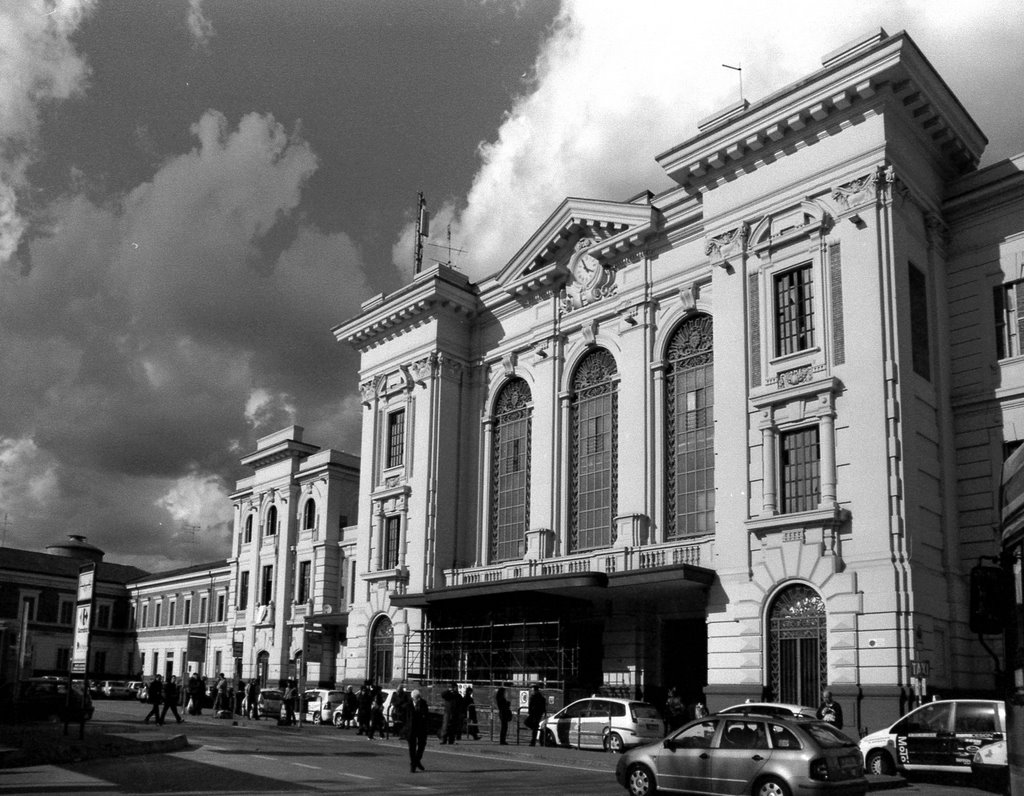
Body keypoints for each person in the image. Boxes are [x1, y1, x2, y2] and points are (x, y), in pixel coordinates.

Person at [405, 688, 430, 773]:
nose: (418, 699)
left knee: (421, 745)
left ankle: (417, 760)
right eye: (416, 697)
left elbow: (426, 715)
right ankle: (413, 764)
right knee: (412, 747)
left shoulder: (423, 703)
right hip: (411, 728)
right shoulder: (408, 705)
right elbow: (406, 717)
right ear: (413, 698)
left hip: (421, 728)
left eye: (419, 697)